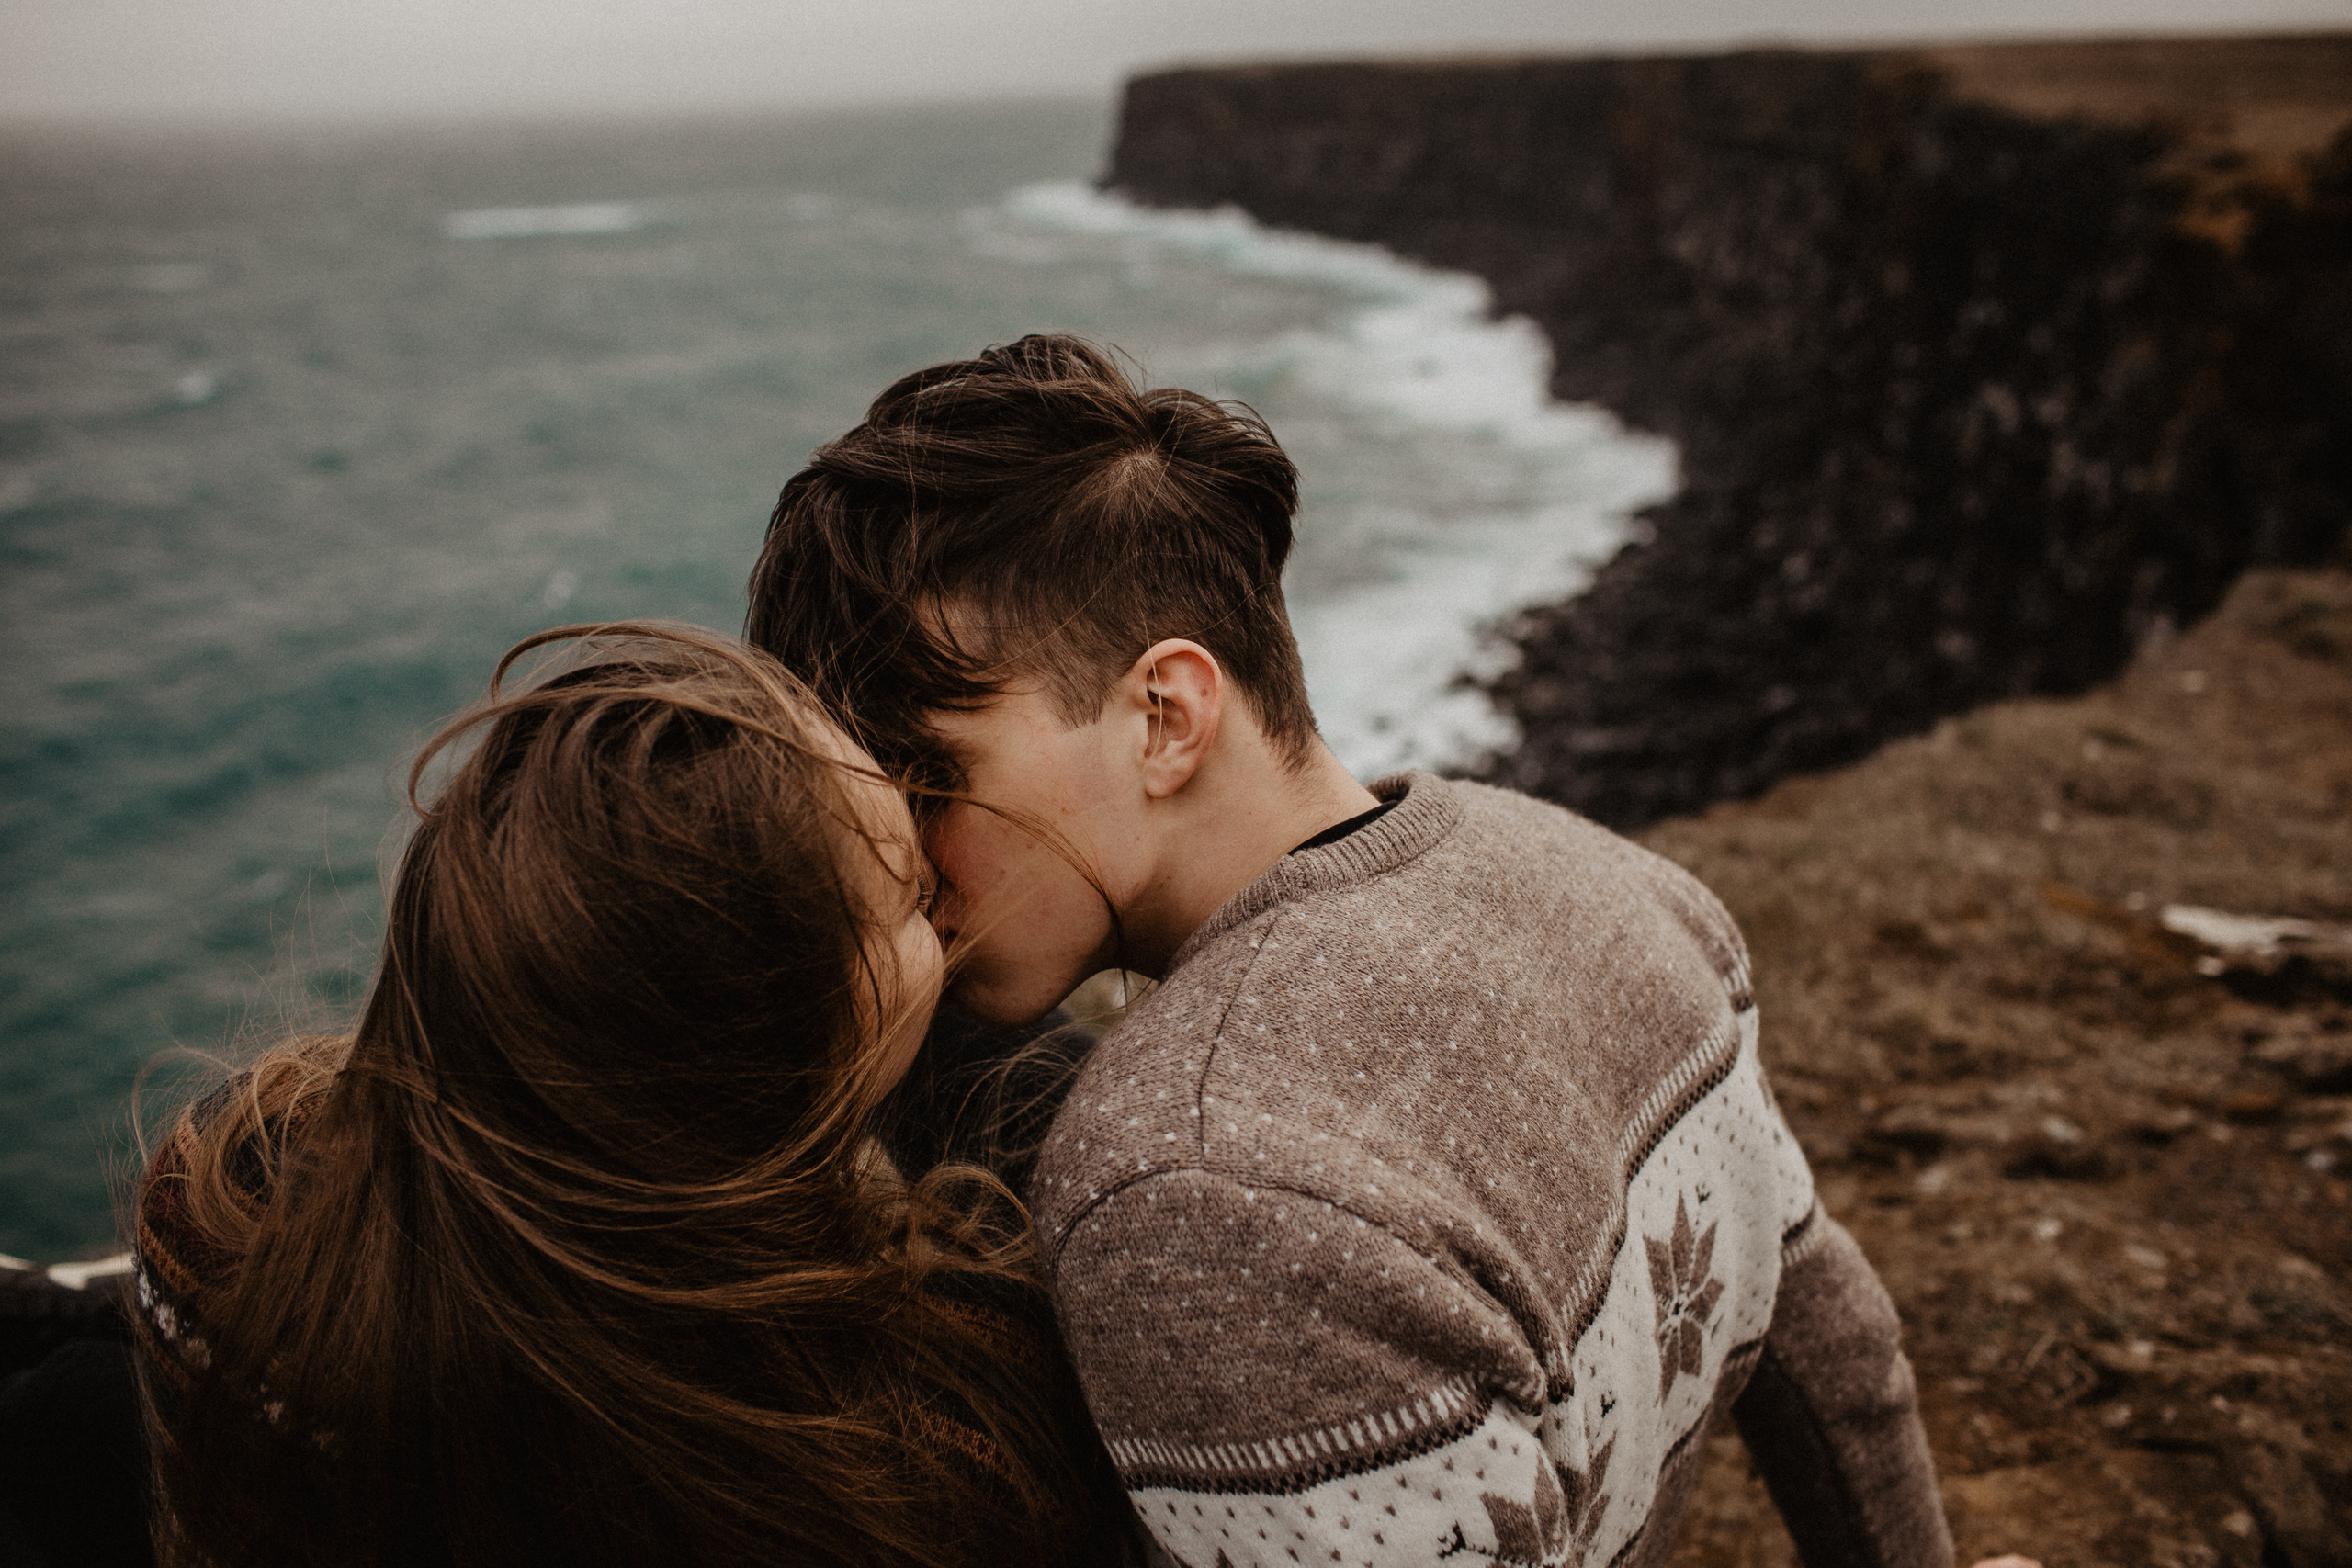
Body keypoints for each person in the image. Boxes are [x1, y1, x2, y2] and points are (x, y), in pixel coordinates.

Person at [748, 335, 1956, 1567]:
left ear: (1165, 715)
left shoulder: (1181, 1181)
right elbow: (1832, 1346)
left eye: (926, 771)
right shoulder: (1623, 880)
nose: (892, 847)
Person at [126, 626, 1130, 1568]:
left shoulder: (217, 1196)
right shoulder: (942, 1437)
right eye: (908, 903)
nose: (946, 897)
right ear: (773, 1072)